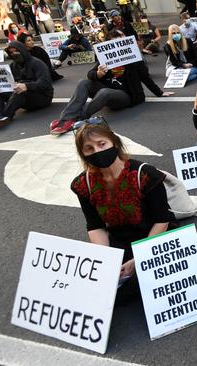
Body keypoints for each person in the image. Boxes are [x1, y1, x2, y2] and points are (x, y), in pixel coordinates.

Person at [70, 118, 176, 305]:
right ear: (83, 154)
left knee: (141, 289)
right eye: (89, 149)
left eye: (102, 144)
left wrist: (139, 260)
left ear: (114, 143)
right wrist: (105, 260)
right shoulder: (83, 184)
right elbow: (95, 226)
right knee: (92, 290)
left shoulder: (145, 175)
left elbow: (162, 220)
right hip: (119, 241)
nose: (97, 151)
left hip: (153, 238)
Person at [49, 29, 174, 135]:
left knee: (104, 92)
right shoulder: (105, 57)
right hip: (107, 93)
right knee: (84, 83)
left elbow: (146, 78)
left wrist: (159, 92)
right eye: (118, 41)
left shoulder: (134, 58)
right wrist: (98, 74)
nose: (122, 42)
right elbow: (90, 74)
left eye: (123, 39)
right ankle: (65, 120)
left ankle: (78, 119)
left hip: (127, 97)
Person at [0, 41, 53, 130]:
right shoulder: (13, 66)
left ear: (22, 50)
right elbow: (5, 84)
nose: (14, 54)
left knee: (19, 90)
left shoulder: (37, 63)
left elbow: (45, 84)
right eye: (11, 52)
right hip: (24, 97)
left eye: (16, 51)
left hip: (43, 97)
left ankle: (3, 116)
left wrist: (26, 86)